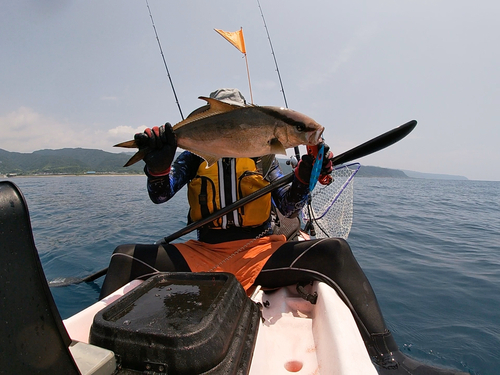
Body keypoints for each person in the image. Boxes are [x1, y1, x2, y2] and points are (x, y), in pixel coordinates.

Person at [100, 89, 467, 375]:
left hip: (260, 251)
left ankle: (388, 357)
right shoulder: (193, 154)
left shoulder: (265, 157)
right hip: (203, 254)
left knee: (334, 251)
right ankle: (99, 351)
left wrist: (304, 179)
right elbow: (161, 196)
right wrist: (157, 168)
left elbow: (288, 206)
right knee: (123, 256)